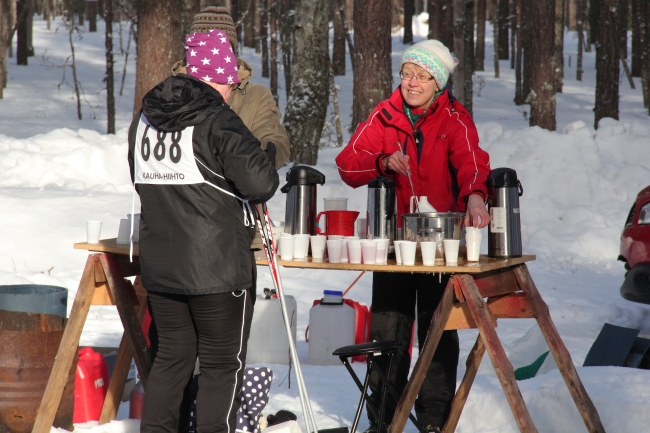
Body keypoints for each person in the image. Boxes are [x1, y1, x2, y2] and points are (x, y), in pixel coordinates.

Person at [335, 39, 491, 433]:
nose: (412, 83)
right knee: (388, 333)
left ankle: (434, 422)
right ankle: (383, 420)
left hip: (442, 246)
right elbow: (347, 166)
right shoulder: (385, 116)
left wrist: (475, 196)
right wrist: (382, 161)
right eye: (407, 74)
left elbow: (473, 162)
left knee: (437, 334)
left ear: (437, 83)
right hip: (393, 245)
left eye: (422, 76)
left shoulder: (454, 118)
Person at [128, 30, 279, 433]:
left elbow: (140, 178)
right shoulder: (216, 116)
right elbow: (260, 183)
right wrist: (268, 154)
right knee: (220, 368)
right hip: (217, 269)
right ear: (216, 77)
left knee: (170, 361)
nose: (232, 91)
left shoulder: (145, 118)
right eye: (231, 83)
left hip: (162, 267)